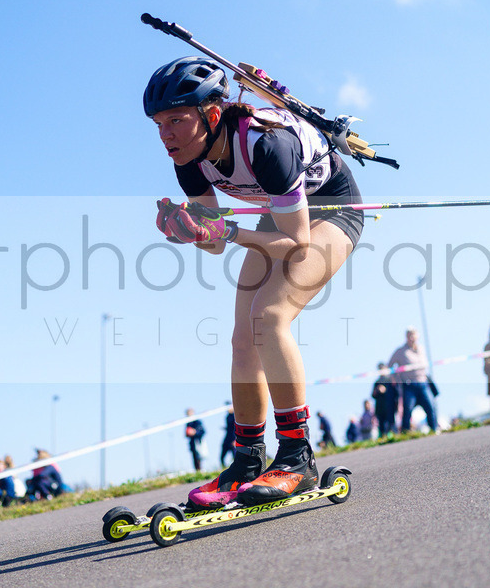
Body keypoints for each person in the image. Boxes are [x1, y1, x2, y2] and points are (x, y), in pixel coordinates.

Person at [146, 56, 365, 508]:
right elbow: (214, 242)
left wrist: (224, 230)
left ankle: (296, 458)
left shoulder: (266, 145)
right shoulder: (187, 159)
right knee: (243, 336)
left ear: (211, 114)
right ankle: (248, 458)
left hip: (331, 212)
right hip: (283, 215)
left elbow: (297, 242)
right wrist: (192, 231)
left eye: (176, 120)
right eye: (158, 123)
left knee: (269, 316)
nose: (165, 134)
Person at [388, 328, 438, 433]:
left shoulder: (422, 349)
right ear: (406, 337)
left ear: (417, 336)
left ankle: (434, 429)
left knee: (430, 407)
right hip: (409, 385)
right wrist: (395, 378)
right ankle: (405, 433)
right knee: (407, 410)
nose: (412, 338)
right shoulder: (400, 351)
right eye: (409, 335)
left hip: (423, 383)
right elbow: (390, 366)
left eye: (413, 335)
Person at [371, 363, 396, 439]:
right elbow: (373, 395)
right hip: (380, 407)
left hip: (389, 406)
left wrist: (386, 390)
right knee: (381, 425)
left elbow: (395, 392)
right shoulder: (377, 382)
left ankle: (393, 436)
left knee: (391, 423)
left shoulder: (390, 380)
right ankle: (382, 438)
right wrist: (377, 391)